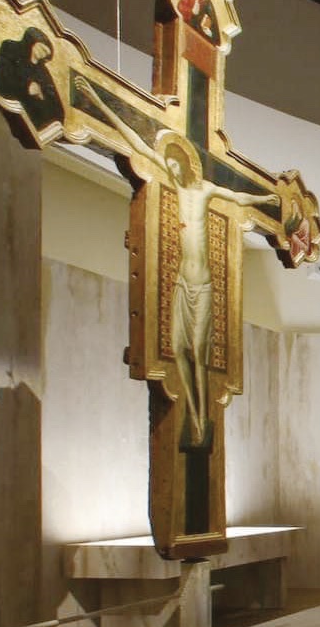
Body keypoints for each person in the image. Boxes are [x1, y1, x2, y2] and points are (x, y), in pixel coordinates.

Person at [74, 76, 280, 445]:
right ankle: (192, 417)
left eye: (175, 161)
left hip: (202, 284)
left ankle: (201, 416)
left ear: (187, 162)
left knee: (200, 353)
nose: (171, 166)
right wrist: (97, 101)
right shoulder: (166, 179)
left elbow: (241, 196)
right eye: (167, 161)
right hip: (181, 283)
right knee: (180, 351)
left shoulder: (204, 191)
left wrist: (270, 201)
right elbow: (136, 141)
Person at [0, 26, 64, 130]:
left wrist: (41, 95)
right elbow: (2, 81)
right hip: (7, 111)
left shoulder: (42, 71)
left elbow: (57, 108)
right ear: (33, 41)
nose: (43, 55)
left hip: (36, 121)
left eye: (46, 54)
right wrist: (26, 87)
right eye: (42, 49)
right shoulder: (11, 48)